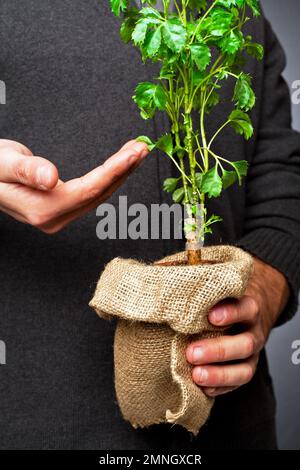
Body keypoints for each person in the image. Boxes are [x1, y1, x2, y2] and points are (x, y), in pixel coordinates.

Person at [0, 0, 299, 450]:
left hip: (233, 431)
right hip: (36, 424)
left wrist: (262, 288)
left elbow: (284, 186)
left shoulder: (233, 11)